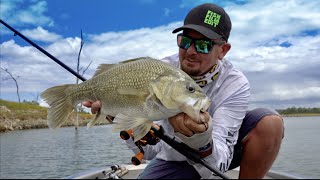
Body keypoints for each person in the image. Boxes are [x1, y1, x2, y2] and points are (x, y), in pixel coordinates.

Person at [83, 3, 284, 179]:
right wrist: (118, 117)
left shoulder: (235, 84)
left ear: (223, 50)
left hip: (220, 154)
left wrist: (201, 139)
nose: (190, 51)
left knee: (269, 123)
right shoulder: (160, 73)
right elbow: (150, 152)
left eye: (203, 45)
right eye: (185, 41)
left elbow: (221, 160)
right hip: (174, 158)